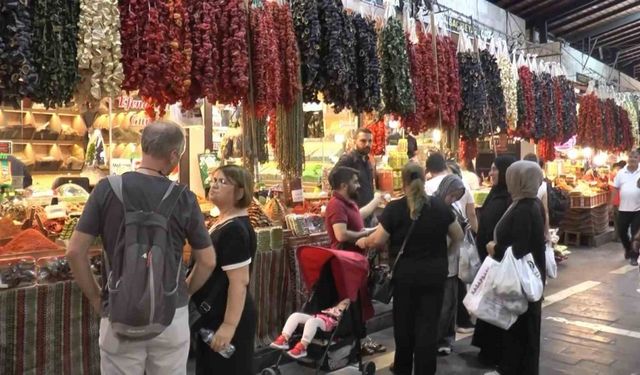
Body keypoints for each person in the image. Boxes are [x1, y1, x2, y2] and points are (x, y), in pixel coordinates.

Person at [66, 120, 216, 375]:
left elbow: (74, 252)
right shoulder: (184, 197)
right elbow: (208, 260)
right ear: (172, 156)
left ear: (143, 147)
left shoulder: (106, 189)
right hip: (171, 314)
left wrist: (95, 297)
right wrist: (185, 292)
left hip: (118, 312)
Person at [356, 163, 463, 375]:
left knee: (404, 328)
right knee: (428, 328)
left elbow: (378, 240)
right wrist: (444, 257)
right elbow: (458, 236)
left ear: (403, 182)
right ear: (424, 179)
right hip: (434, 277)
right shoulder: (440, 207)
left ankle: (403, 369)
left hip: (405, 278)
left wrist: (363, 242)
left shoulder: (395, 209)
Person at [192, 165, 257, 375]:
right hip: (215, 313)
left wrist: (229, 326)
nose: (215, 185)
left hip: (225, 315)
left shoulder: (235, 230)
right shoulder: (224, 222)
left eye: (223, 182)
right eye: (215, 180)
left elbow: (239, 282)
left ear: (240, 192)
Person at [485, 160, 546, 375]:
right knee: (520, 329)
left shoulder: (525, 208)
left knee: (521, 330)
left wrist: (496, 248)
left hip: (522, 281)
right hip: (525, 278)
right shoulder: (527, 204)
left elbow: (520, 248)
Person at [472, 155, 516, 366]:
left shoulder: (510, 198)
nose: (490, 174)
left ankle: (496, 352)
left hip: (500, 262)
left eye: (494, 169)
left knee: (497, 307)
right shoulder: (495, 194)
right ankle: (487, 349)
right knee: (488, 305)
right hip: (488, 262)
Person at [433, 175, 467, 355]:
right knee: (442, 305)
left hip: (453, 263)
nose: (453, 199)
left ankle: (446, 338)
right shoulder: (435, 207)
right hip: (441, 262)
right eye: (451, 195)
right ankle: (436, 339)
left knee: (451, 304)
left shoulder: (455, 207)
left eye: (457, 196)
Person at [325, 166, 382, 252]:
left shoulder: (348, 202)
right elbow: (341, 235)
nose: (358, 185)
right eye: (355, 182)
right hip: (345, 260)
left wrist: (376, 229)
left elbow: (358, 216)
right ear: (344, 186)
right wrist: (365, 233)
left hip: (355, 259)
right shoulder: (336, 204)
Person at [269, 299, 351, 359]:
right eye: (343, 302)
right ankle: (284, 338)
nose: (343, 303)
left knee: (312, 321)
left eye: (345, 304)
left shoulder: (342, 314)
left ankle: (302, 347)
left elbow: (341, 324)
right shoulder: (332, 308)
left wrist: (339, 315)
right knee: (296, 315)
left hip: (326, 325)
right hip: (316, 317)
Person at [426, 153, 478, 233]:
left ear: (429, 170)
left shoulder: (427, 186)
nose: (453, 200)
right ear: (445, 165)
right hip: (463, 231)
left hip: (440, 233)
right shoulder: (462, 183)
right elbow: (472, 214)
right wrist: (474, 235)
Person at [334, 128, 375, 210]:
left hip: (368, 211)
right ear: (355, 141)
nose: (367, 144)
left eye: (370, 141)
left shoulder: (367, 160)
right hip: (354, 211)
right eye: (363, 141)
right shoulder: (348, 159)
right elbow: (333, 177)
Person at [611, 148, 640, 266]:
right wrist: (612, 203)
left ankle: (634, 256)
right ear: (627, 158)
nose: (632, 159)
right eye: (630, 157)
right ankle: (628, 249)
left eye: (635, 157)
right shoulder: (621, 173)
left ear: (639, 159)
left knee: (635, 234)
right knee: (622, 232)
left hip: (638, 209)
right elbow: (615, 188)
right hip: (623, 209)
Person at [523, 154, 550, 240]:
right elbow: (545, 211)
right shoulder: (543, 185)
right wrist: (547, 232)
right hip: (537, 223)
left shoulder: (519, 183)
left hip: (521, 223)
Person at [610, 161, 626, 241]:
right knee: (618, 221)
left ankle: (618, 237)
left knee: (619, 221)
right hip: (618, 202)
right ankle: (617, 237)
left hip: (620, 202)